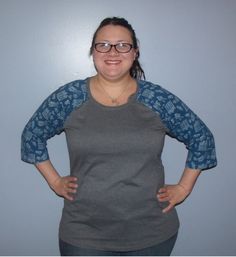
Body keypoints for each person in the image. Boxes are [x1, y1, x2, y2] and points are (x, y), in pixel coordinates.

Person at [21, 17, 217, 256]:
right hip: (83, 233)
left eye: (122, 45)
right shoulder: (69, 97)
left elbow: (201, 138)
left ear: (135, 52)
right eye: (103, 45)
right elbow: (32, 135)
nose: (112, 52)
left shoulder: (157, 99)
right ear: (93, 52)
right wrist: (55, 182)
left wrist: (184, 188)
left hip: (152, 233)